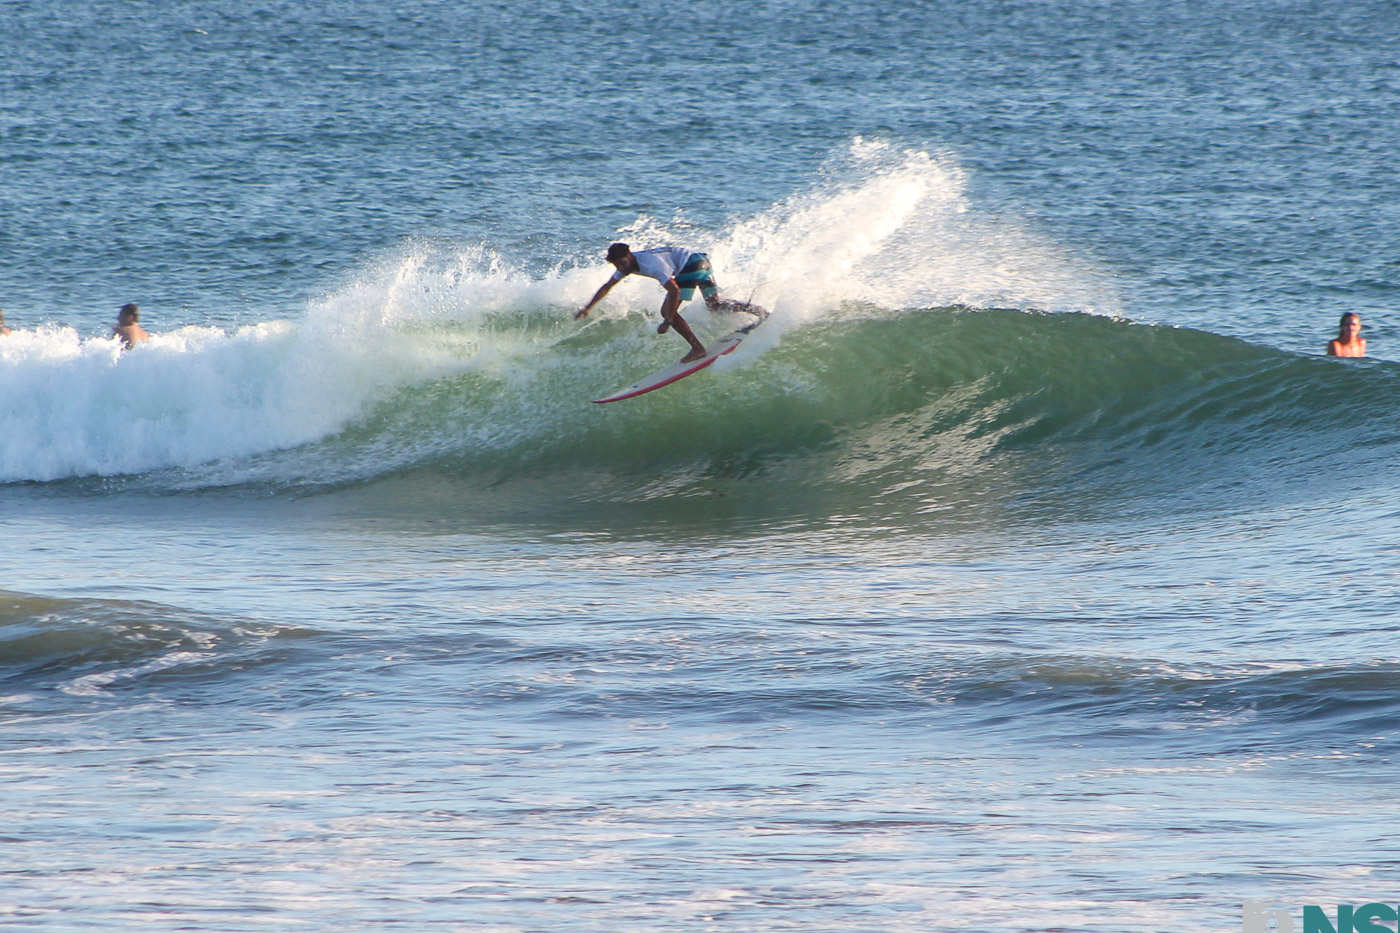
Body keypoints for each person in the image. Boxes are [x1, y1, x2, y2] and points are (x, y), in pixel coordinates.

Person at [575, 243, 764, 363]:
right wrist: (588, 307)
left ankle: (698, 349)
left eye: (622, 262)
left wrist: (668, 320)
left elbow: (674, 290)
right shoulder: (626, 266)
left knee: (667, 311)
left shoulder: (651, 265)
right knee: (714, 305)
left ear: (630, 255)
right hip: (701, 261)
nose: (620, 267)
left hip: (691, 265)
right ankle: (757, 310)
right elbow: (607, 286)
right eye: (616, 264)